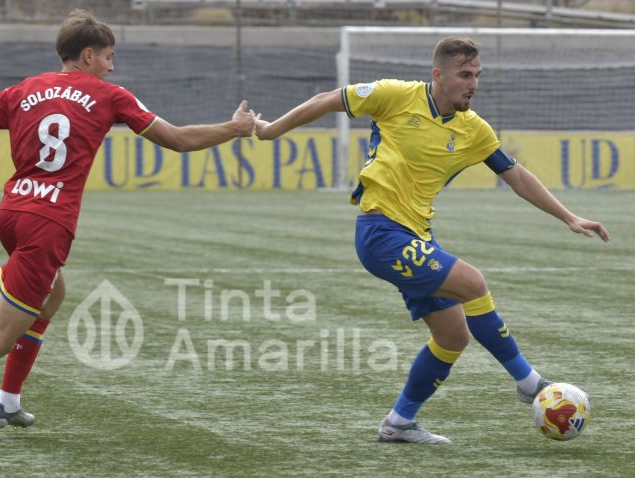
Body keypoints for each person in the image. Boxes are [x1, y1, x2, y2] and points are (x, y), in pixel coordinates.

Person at [0, 9, 255, 446]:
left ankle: (7, 402)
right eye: (108, 56)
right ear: (87, 55)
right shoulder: (110, 95)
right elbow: (178, 139)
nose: (112, 66)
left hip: (12, 213)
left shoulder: (23, 90)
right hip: (48, 222)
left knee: (54, 294)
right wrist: (234, 128)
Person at [254, 37, 609, 444]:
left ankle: (399, 421)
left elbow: (516, 175)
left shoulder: (473, 128)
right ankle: (529, 383)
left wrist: (569, 217)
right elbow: (327, 99)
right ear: (437, 75)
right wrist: (270, 131)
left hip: (417, 235)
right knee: (473, 284)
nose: (473, 84)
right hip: (380, 231)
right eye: (464, 75)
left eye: (477, 75)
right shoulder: (395, 95)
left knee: (452, 336)